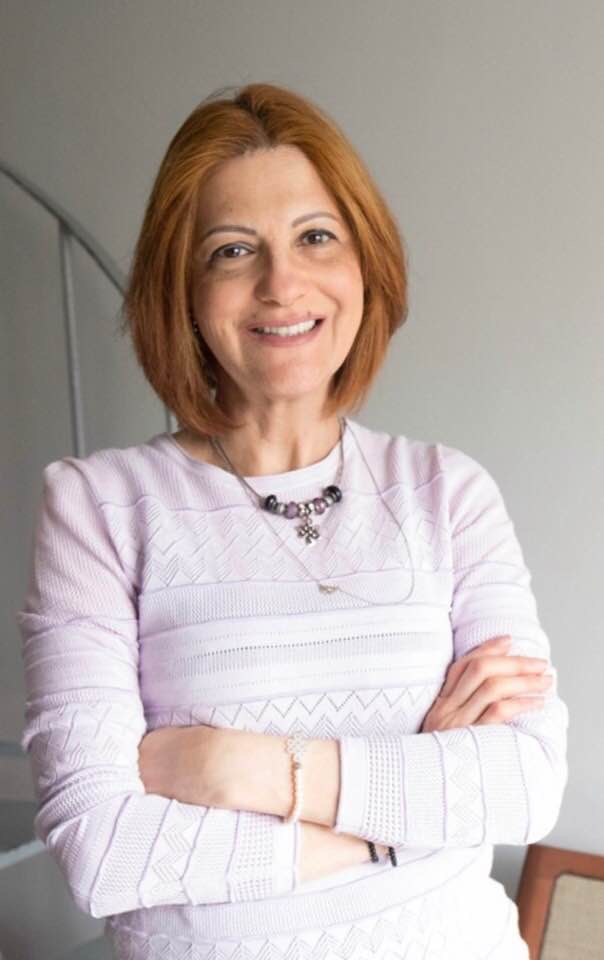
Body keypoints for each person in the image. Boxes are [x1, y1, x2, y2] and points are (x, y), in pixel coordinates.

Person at [17, 82, 568, 959]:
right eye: (233, 250)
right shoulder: (98, 508)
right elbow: (106, 855)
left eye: (317, 236)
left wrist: (241, 768)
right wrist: (399, 821)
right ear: (183, 288)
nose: (282, 284)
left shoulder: (447, 492)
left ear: (365, 265)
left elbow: (525, 784)